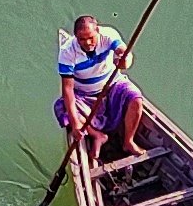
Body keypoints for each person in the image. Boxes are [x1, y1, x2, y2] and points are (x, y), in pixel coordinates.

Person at [54, 13, 144, 165]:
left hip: (112, 84)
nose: (87, 43)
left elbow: (125, 54)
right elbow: (68, 89)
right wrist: (75, 125)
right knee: (65, 109)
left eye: (91, 38)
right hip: (84, 94)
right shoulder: (67, 52)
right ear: (75, 37)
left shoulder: (108, 35)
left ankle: (128, 141)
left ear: (98, 31)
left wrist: (124, 61)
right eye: (82, 39)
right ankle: (97, 135)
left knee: (136, 98)